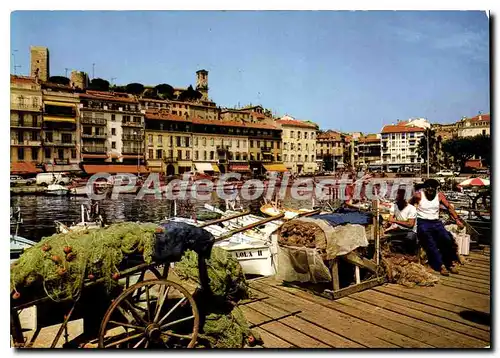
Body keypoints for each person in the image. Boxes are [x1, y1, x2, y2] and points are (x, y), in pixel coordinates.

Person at [409, 179, 463, 276]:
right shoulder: (419, 195)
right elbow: (409, 204)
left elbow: (449, 207)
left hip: (436, 222)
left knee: (447, 239)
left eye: (432, 189)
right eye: (428, 189)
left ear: (436, 189)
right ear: (425, 189)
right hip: (423, 222)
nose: (430, 191)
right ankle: (441, 266)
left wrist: (457, 219)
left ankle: (449, 263)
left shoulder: (439, 196)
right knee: (431, 243)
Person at [384, 188, 418, 253]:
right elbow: (390, 219)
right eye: (396, 199)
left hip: (410, 231)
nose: (397, 201)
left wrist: (394, 221)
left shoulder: (411, 209)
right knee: (385, 238)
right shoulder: (394, 206)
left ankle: (410, 253)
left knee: (410, 238)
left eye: (398, 200)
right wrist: (388, 223)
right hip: (399, 229)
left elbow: (410, 225)